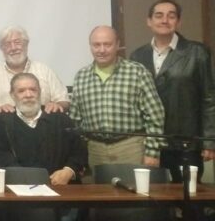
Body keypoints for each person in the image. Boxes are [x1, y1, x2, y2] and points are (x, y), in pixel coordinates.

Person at [130, 0, 215, 182]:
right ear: (149, 21)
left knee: (188, 199)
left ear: (179, 22)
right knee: (154, 201)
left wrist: (209, 141)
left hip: (186, 141)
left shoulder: (197, 52)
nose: (165, 20)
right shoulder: (137, 56)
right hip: (151, 142)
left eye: (171, 15)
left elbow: (209, 98)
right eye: (158, 16)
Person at [71, 26, 165, 168]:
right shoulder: (81, 76)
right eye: (96, 45)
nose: (101, 50)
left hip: (131, 147)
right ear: (90, 46)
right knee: (98, 191)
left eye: (107, 44)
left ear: (117, 45)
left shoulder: (137, 72)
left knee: (135, 190)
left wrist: (152, 153)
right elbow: (76, 119)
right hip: (95, 151)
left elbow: (155, 115)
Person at [0, 72, 87, 182]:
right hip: (16, 187)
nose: (28, 95)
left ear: (40, 92)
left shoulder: (60, 119)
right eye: (21, 91)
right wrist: (23, 175)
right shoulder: (1, 123)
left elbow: (79, 151)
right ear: (12, 95)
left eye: (33, 89)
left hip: (58, 187)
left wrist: (69, 171)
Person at [0, 25, 69, 115]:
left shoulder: (44, 71)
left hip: (42, 127)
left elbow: (64, 100)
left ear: (26, 44)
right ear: (1, 49)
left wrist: (57, 105)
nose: (13, 48)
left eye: (17, 42)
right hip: (2, 127)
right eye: (7, 44)